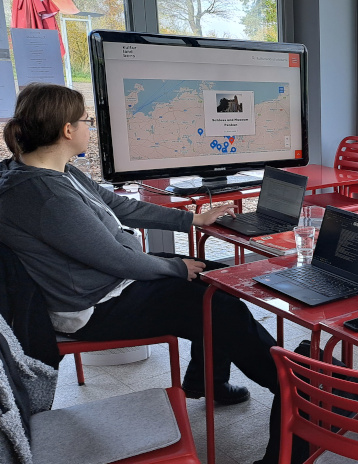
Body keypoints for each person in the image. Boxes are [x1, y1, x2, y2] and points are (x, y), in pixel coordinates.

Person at [0, 84, 279, 435]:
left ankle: (206, 381)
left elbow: (120, 206)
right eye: (85, 120)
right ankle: (287, 384)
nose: (90, 127)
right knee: (219, 305)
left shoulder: (55, 171)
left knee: (219, 280)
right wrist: (175, 268)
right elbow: (117, 259)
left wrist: (191, 219)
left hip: (110, 283)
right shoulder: (46, 197)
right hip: (95, 307)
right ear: (67, 130)